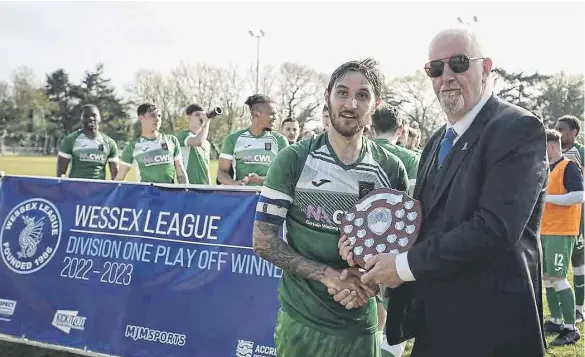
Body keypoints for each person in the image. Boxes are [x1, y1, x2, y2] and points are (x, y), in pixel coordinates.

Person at [338, 27, 548, 357]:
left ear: (486, 68)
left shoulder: (518, 128)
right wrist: (370, 256)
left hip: (492, 327)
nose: (446, 76)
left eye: (459, 64)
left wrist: (402, 266)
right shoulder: (437, 140)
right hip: (435, 322)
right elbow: (420, 222)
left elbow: (494, 228)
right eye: (436, 68)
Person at [251, 58, 408, 357]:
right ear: (327, 96)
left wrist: (371, 283)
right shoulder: (293, 160)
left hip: (360, 325)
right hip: (302, 323)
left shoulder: (390, 168)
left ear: (376, 105)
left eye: (363, 95)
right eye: (342, 92)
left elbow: (396, 250)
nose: (351, 103)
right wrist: (327, 275)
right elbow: (263, 240)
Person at [541, 129, 583, 346]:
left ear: (552, 146)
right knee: (548, 277)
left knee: (558, 277)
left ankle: (570, 327)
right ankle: (556, 320)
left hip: (561, 230)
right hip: (546, 230)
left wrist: (547, 198)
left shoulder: (570, 166)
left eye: (542, 147)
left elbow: (579, 195)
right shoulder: (548, 168)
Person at [217, 94, 288, 186]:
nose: (275, 118)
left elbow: (286, 175)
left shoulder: (280, 140)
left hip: (270, 198)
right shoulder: (233, 139)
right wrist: (234, 184)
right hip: (243, 198)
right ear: (256, 114)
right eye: (272, 114)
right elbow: (222, 172)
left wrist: (261, 180)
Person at [555, 114, 585, 323]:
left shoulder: (581, 152)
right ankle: (557, 314)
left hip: (578, 214)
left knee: (579, 262)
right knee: (554, 267)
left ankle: (579, 309)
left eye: (562, 129)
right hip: (554, 216)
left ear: (573, 132)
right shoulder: (551, 152)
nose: (558, 132)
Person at [115, 103, 187, 184]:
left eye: (159, 116)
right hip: (146, 195)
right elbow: (120, 178)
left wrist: (186, 191)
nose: (157, 119)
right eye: (152, 116)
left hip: (169, 194)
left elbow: (180, 170)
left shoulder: (172, 140)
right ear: (141, 118)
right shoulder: (132, 147)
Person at [57, 104, 119, 180]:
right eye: (86, 116)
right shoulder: (69, 140)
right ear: (81, 119)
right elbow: (60, 175)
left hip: (99, 190)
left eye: (94, 115)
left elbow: (116, 178)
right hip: (75, 190)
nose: (91, 118)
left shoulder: (110, 143)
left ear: (100, 118)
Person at [371, 105, 420, 194]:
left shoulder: (359, 151)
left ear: (372, 129)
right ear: (400, 130)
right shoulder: (411, 158)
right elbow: (413, 197)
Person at [175, 104, 212, 184]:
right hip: (189, 187)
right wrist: (206, 123)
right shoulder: (184, 135)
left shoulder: (206, 143)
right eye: (197, 115)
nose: (201, 117)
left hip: (206, 188)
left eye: (203, 115)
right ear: (189, 118)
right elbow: (198, 141)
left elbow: (206, 168)